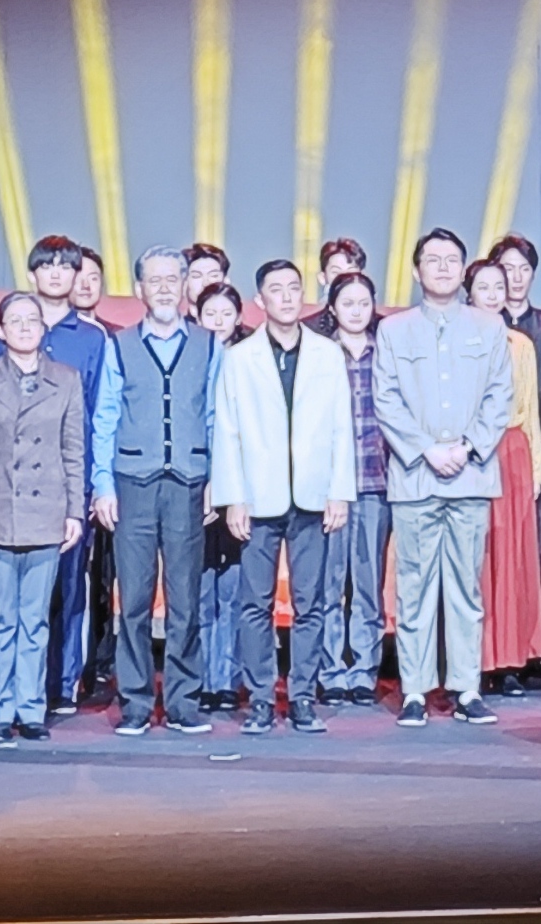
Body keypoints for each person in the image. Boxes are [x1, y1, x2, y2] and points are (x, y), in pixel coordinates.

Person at [372, 225, 516, 725]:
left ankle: (465, 687)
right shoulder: (394, 330)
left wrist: (469, 446)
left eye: (452, 260)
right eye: (432, 260)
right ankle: (414, 688)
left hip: (471, 475)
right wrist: (426, 450)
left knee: (465, 587)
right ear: (416, 271)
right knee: (413, 586)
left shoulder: (489, 328)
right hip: (415, 477)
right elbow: (386, 399)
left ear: (464, 269)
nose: (442, 268)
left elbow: (500, 395)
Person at [209, 259, 357, 733]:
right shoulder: (240, 358)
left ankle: (302, 696)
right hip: (258, 497)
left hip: (313, 496)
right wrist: (233, 497)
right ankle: (259, 697)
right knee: (255, 603)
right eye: (277, 289)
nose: (288, 296)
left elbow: (341, 427)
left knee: (312, 602)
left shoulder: (327, 354)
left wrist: (339, 491)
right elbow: (227, 432)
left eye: (294, 288)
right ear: (260, 300)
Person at [0, 288, 87, 745]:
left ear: (43, 328)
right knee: (1, 619)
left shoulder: (66, 380)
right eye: (14, 321)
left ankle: (31, 709)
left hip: (46, 513)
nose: (24, 327)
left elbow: (74, 450)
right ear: (0, 330)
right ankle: (0, 711)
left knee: (35, 620)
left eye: (32, 320)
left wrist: (75, 511)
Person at [105, 249, 221, 734]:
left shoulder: (208, 345)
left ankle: (182, 700)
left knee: (185, 600)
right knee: (132, 600)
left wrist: (217, 480)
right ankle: (135, 701)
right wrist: (102, 486)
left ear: (185, 285)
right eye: (155, 281)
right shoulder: (119, 345)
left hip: (188, 484)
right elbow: (105, 417)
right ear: (140, 290)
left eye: (173, 279)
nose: (165, 288)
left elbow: (215, 416)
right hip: (133, 482)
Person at [28, 237, 125, 716]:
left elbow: (100, 414)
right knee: (25, 592)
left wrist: (94, 482)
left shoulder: (93, 339)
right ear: (32, 275)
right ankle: (24, 685)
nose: (56, 274)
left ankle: (63, 683)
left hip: (72, 483)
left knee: (70, 589)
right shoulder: (15, 327)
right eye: (46, 266)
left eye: (65, 267)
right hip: (17, 485)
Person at [474, 256, 541, 688]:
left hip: (513, 450)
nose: (492, 296)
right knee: (478, 559)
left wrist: (535, 468)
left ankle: (508, 661)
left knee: (512, 559)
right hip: (472, 453)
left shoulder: (520, 344)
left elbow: (531, 412)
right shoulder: (456, 340)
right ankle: (474, 659)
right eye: (483, 288)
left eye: (498, 288)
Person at [318, 269, 392, 702]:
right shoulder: (320, 355)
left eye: (364, 303)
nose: (357, 311)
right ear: (332, 308)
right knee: (328, 583)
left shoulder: (388, 353)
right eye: (348, 303)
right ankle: (331, 670)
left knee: (368, 583)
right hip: (330, 486)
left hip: (376, 481)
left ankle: (364, 670)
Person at [187, 279, 250, 714]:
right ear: (196, 315)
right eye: (210, 313)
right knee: (198, 588)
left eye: (226, 314)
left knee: (232, 589)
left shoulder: (248, 360)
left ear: (239, 317)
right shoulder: (188, 359)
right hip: (195, 486)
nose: (218, 321)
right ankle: (201, 678)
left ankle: (226, 678)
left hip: (239, 488)